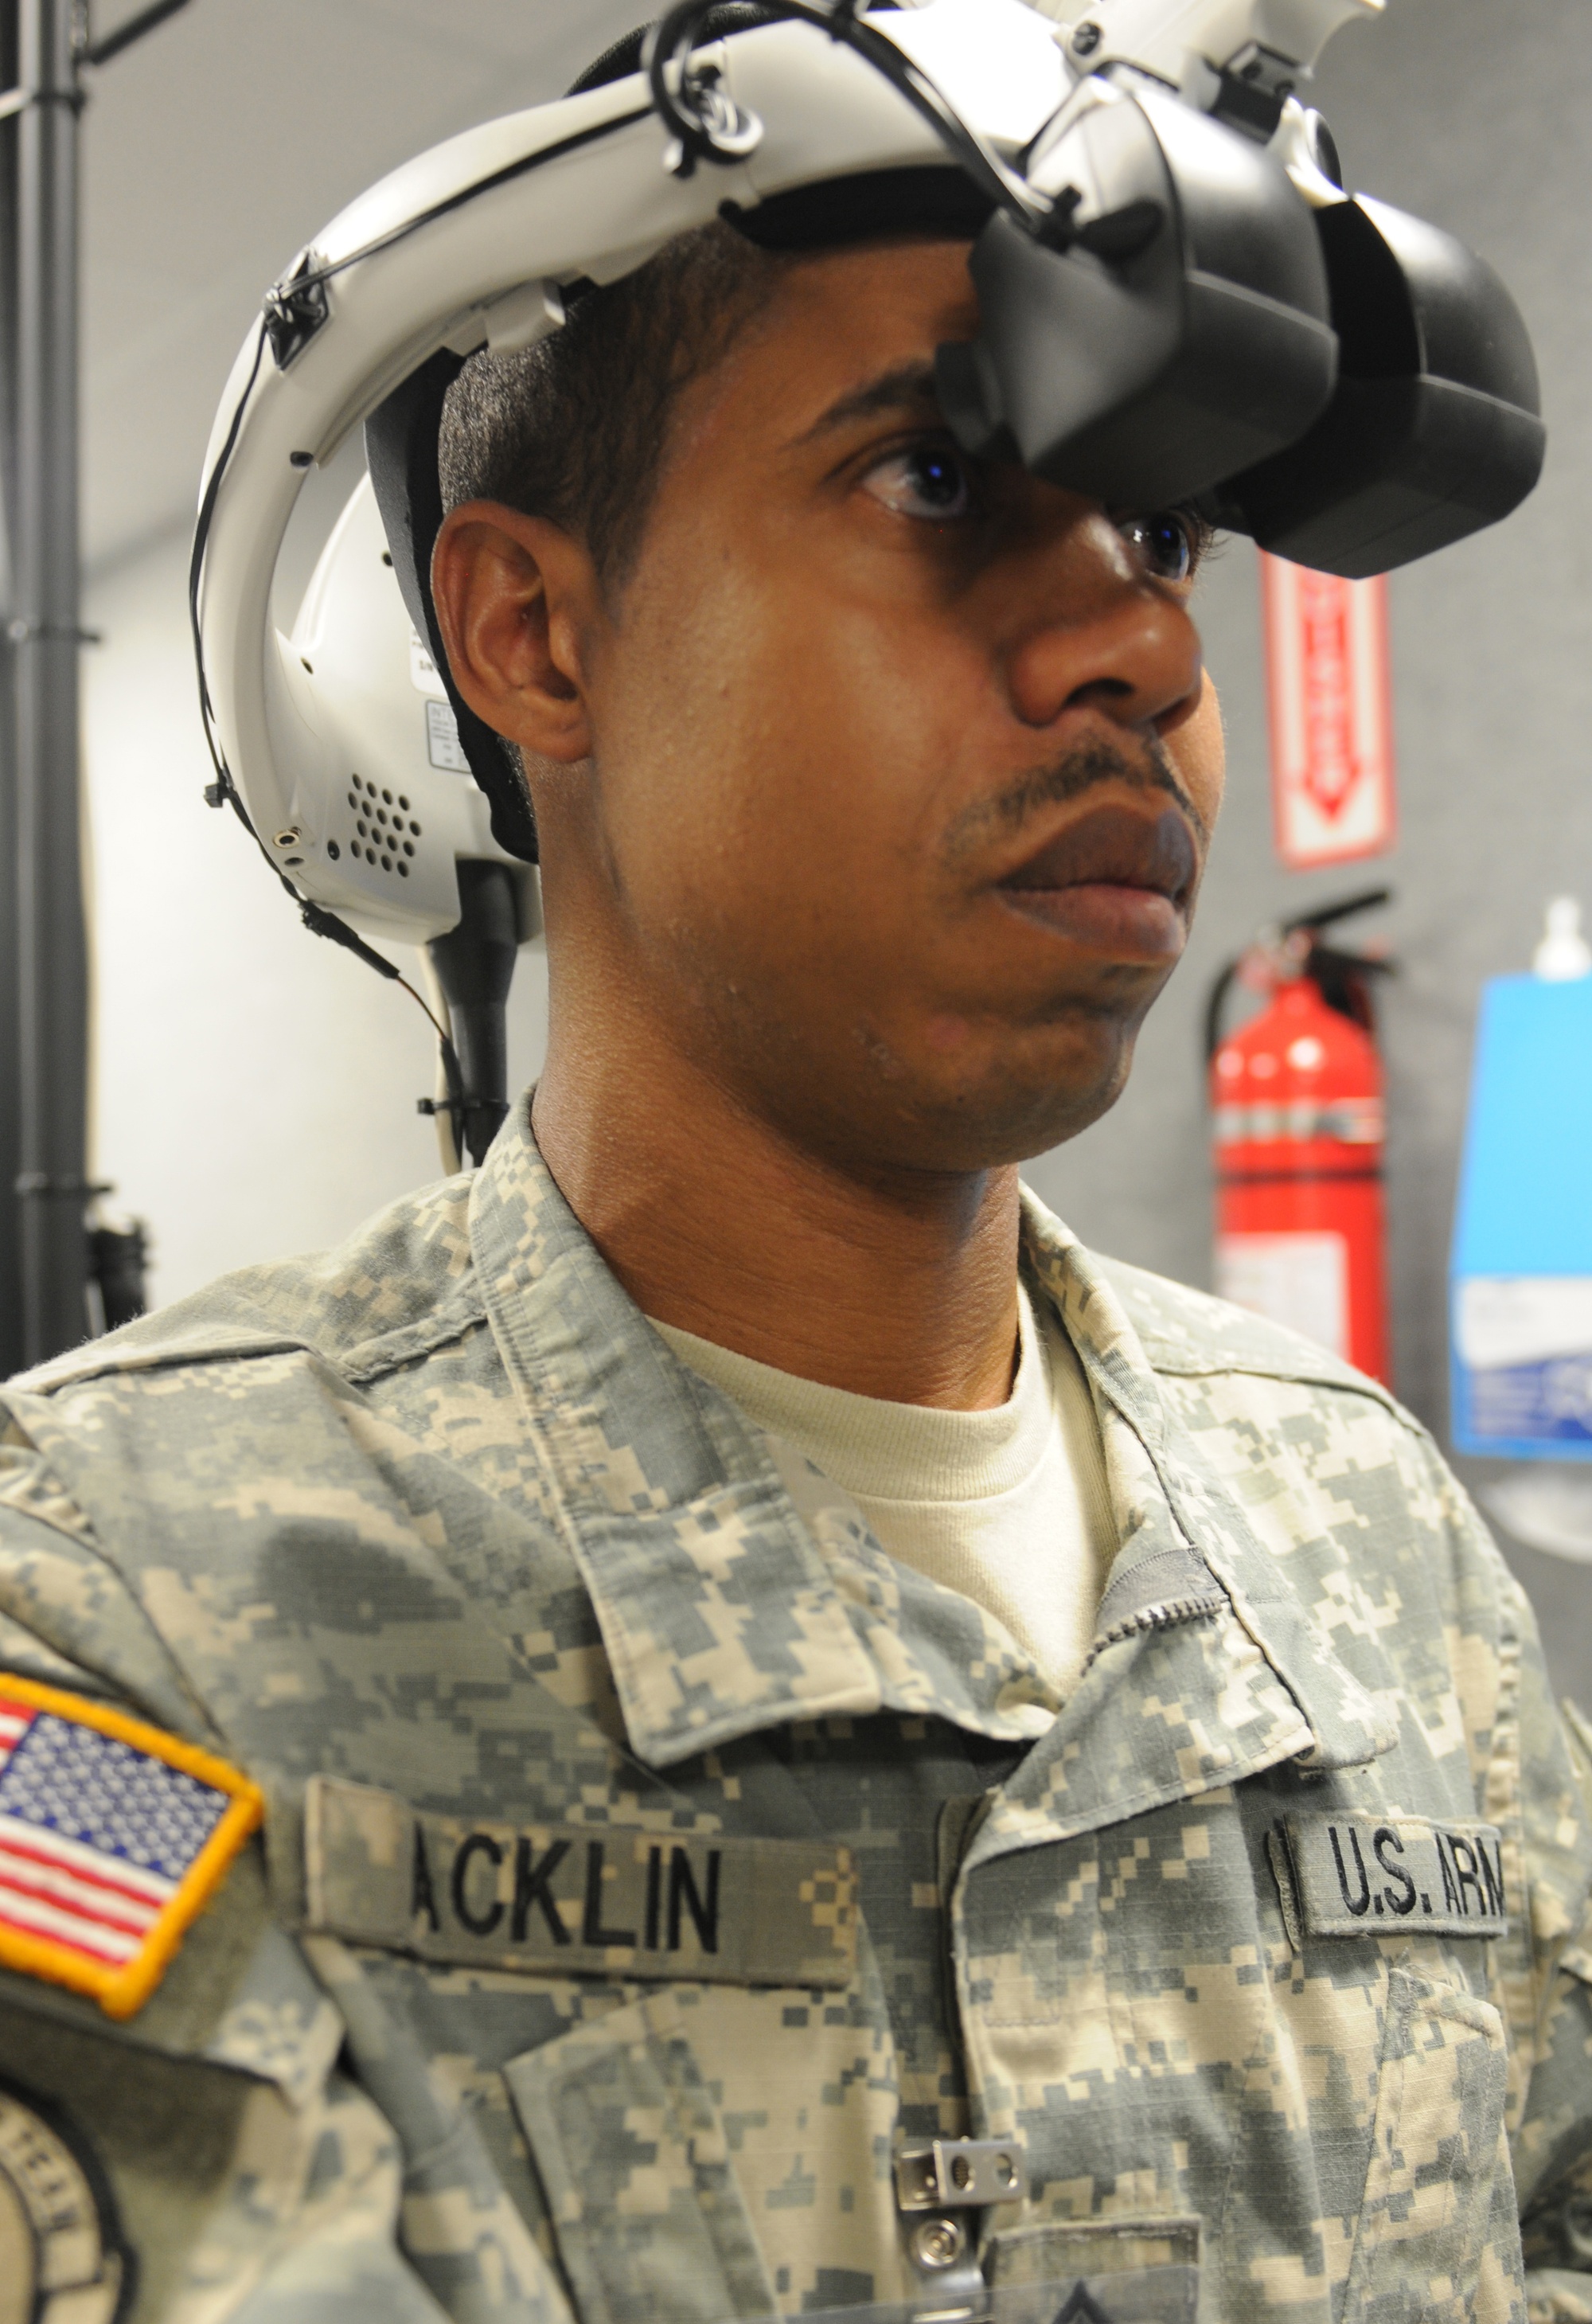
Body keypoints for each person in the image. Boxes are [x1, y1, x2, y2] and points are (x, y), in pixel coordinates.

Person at [0, 61, 1589, 2324]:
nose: (1144, 649)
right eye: (936, 478)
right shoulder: (119, 1600)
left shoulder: (1368, 1524)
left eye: (1166, 537)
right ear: (535, 635)